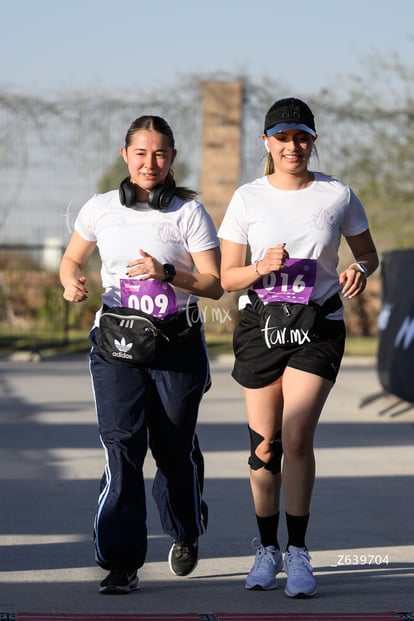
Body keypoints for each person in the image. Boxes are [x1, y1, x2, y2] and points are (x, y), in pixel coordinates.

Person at [218, 97, 378, 598]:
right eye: (282, 138)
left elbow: (368, 253)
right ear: (267, 142)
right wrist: (261, 267)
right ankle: (267, 549)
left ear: (313, 140)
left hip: (317, 326)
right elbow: (227, 277)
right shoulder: (247, 198)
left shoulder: (337, 194)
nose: (293, 147)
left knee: (296, 437)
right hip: (261, 328)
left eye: (301, 137)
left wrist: (360, 269)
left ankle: (300, 553)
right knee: (264, 448)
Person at [60, 114, 223, 595]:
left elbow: (213, 284)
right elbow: (72, 258)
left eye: (159, 154)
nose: (149, 162)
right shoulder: (100, 208)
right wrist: (71, 279)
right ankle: (121, 560)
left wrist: (167, 271)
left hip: (177, 345)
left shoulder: (189, 213)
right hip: (117, 346)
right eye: (140, 153)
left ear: (172, 158)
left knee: (172, 448)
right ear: (124, 156)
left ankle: (185, 528)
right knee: (122, 449)